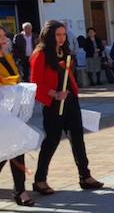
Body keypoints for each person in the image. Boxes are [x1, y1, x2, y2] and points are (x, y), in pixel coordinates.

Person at [30, 20, 105, 195]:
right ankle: (40, 180)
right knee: (52, 140)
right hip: (53, 103)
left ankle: (85, 176)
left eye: (63, 34)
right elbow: (35, 83)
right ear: (49, 35)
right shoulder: (40, 54)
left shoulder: (64, 52)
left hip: (70, 100)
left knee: (78, 137)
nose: (61, 38)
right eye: (58, 35)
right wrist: (54, 94)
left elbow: (67, 74)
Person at [0, 25, 40, 206]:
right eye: (0, 37)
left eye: (4, 37)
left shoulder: (7, 57)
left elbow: (14, 78)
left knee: (17, 149)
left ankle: (20, 191)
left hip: (10, 111)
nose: (4, 40)